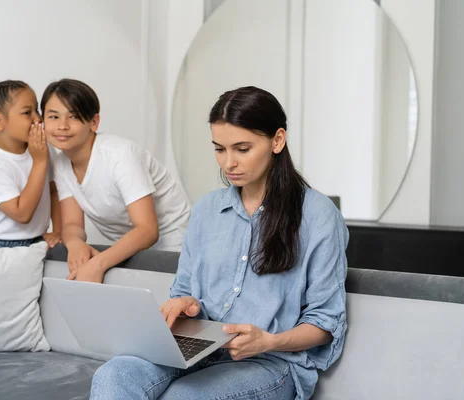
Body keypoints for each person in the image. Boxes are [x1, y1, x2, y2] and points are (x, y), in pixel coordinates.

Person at [89, 86, 349, 400]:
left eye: (242, 149)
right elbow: (184, 292)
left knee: (184, 397)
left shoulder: (318, 215)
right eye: (219, 149)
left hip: (270, 361)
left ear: (277, 140)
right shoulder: (207, 210)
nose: (228, 163)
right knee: (112, 376)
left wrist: (267, 341)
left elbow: (325, 322)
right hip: (197, 343)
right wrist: (184, 306)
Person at [41, 79, 190, 282]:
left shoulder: (120, 154)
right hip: (128, 248)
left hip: (175, 246)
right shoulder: (60, 162)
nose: (62, 126)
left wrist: (98, 263)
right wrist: (75, 243)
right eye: (54, 117)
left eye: (73, 117)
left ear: (94, 122)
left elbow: (147, 230)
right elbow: (73, 223)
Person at [0, 80, 61, 249]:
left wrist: (58, 231)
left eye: (36, 110)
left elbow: (53, 191)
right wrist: (39, 162)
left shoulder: (41, 147)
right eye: (27, 113)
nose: (37, 118)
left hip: (38, 241)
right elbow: (22, 214)